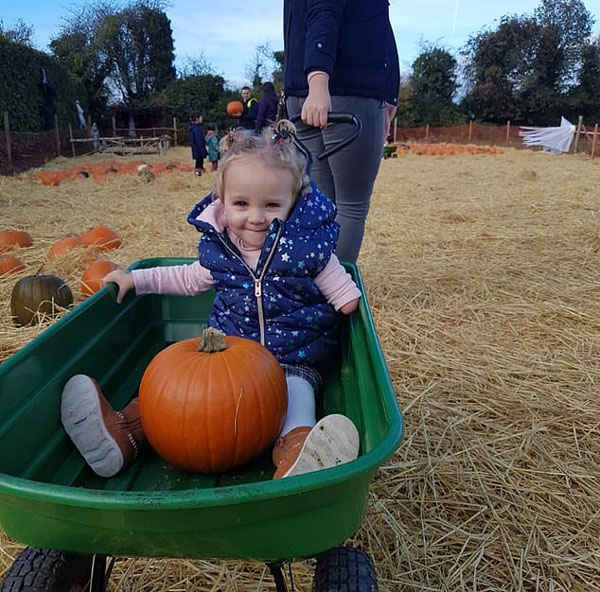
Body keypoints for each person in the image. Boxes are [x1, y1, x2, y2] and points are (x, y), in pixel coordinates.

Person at [60, 122, 362, 480]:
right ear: (222, 202)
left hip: (293, 358)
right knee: (175, 394)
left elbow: (339, 286)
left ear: (293, 203)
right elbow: (185, 278)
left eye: (271, 204)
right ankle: (124, 433)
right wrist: (136, 279)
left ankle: (298, 453)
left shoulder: (308, 251)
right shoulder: (222, 251)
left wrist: (348, 302)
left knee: (296, 400)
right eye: (241, 203)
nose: (256, 216)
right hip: (229, 358)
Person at [283, 0, 400, 263]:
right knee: (351, 206)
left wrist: (389, 97)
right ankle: (336, 294)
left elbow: (382, 31)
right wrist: (318, 80)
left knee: (321, 206)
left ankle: (316, 292)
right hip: (345, 93)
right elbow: (325, 9)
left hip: (301, 95)